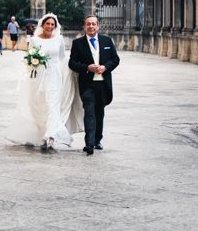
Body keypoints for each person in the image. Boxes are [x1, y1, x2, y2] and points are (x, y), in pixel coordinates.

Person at [7, 13, 83, 151]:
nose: (50, 26)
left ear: (55, 26)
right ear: (42, 25)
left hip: (55, 76)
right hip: (39, 76)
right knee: (41, 105)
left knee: (53, 105)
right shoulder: (35, 40)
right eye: (47, 24)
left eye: (52, 24)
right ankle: (42, 133)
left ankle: (51, 136)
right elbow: (29, 58)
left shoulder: (59, 39)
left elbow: (61, 58)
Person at [68, 14, 120, 155]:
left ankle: (97, 140)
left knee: (99, 113)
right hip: (87, 84)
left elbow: (115, 59)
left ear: (98, 26)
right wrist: (87, 67)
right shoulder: (77, 43)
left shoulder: (107, 41)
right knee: (89, 112)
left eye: (93, 24)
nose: (91, 26)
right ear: (84, 26)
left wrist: (105, 67)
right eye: (88, 24)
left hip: (103, 84)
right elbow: (72, 63)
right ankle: (89, 144)